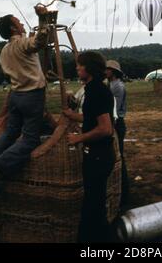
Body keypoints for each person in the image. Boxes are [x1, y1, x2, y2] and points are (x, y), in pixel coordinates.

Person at [0, 6, 49, 193]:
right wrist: (43, 20)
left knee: (11, 132)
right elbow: (40, 42)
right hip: (32, 95)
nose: (20, 21)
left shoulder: (4, 51)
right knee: (30, 139)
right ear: (13, 29)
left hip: (16, 96)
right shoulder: (21, 44)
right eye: (17, 21)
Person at [65, 51, 115, 243]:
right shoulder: (93, 88)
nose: (77, 68)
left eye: (80, 65)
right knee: (93, 203)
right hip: (97, 155)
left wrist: (79, 138)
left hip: (98, 156)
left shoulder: (96, 91)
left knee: (93, 207)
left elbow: (105, 128)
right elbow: (92, 118)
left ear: (90, 68)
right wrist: (71, 115)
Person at [106, 60, 129, 205]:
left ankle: (124, 187)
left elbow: (114, 108)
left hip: (116, 123)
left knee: (118, 154)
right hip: (113, 122)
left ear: (113, 72)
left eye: (107, 69)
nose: (104, 72)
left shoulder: (118, 87)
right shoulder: (111, 85)